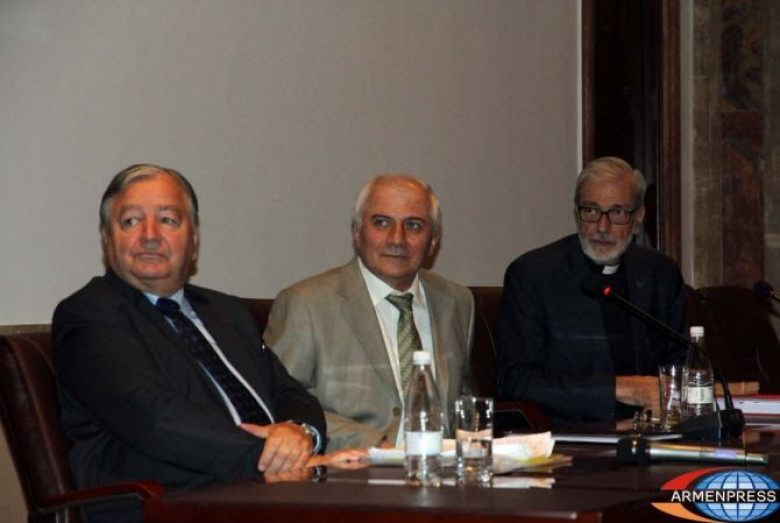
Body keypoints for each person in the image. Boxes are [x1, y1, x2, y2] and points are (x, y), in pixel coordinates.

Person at [53, 164, 327, 523]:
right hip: (166, 504)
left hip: (266, 493)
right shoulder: (90, 314)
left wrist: (301, 433)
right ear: (107, 239)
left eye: (167, 220)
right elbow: (153, 418)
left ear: (194, 240)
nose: (149, 236)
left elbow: (288, 392)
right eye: (131, 221)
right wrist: (272, 456)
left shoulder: (226, 311)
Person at [264, 174, 474, 450]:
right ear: (357, 232)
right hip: (355, 467)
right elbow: (278, 403)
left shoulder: (457, 302)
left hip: (441, 468)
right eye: (382, 223)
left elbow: (463, 401)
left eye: (413, 225)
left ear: (433, 240)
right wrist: (374, 445)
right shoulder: (306, 304)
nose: (397, 239)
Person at [496, 157, 686, 427]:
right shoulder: (533, 275)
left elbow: (681, 364)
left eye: (617, 212)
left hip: (654, 430)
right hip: (571, 436)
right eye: (591, 210)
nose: (602, 227)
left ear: (639, 217)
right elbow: (517, 381)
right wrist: (617, 389)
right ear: (576, 213)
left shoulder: (661, 274)